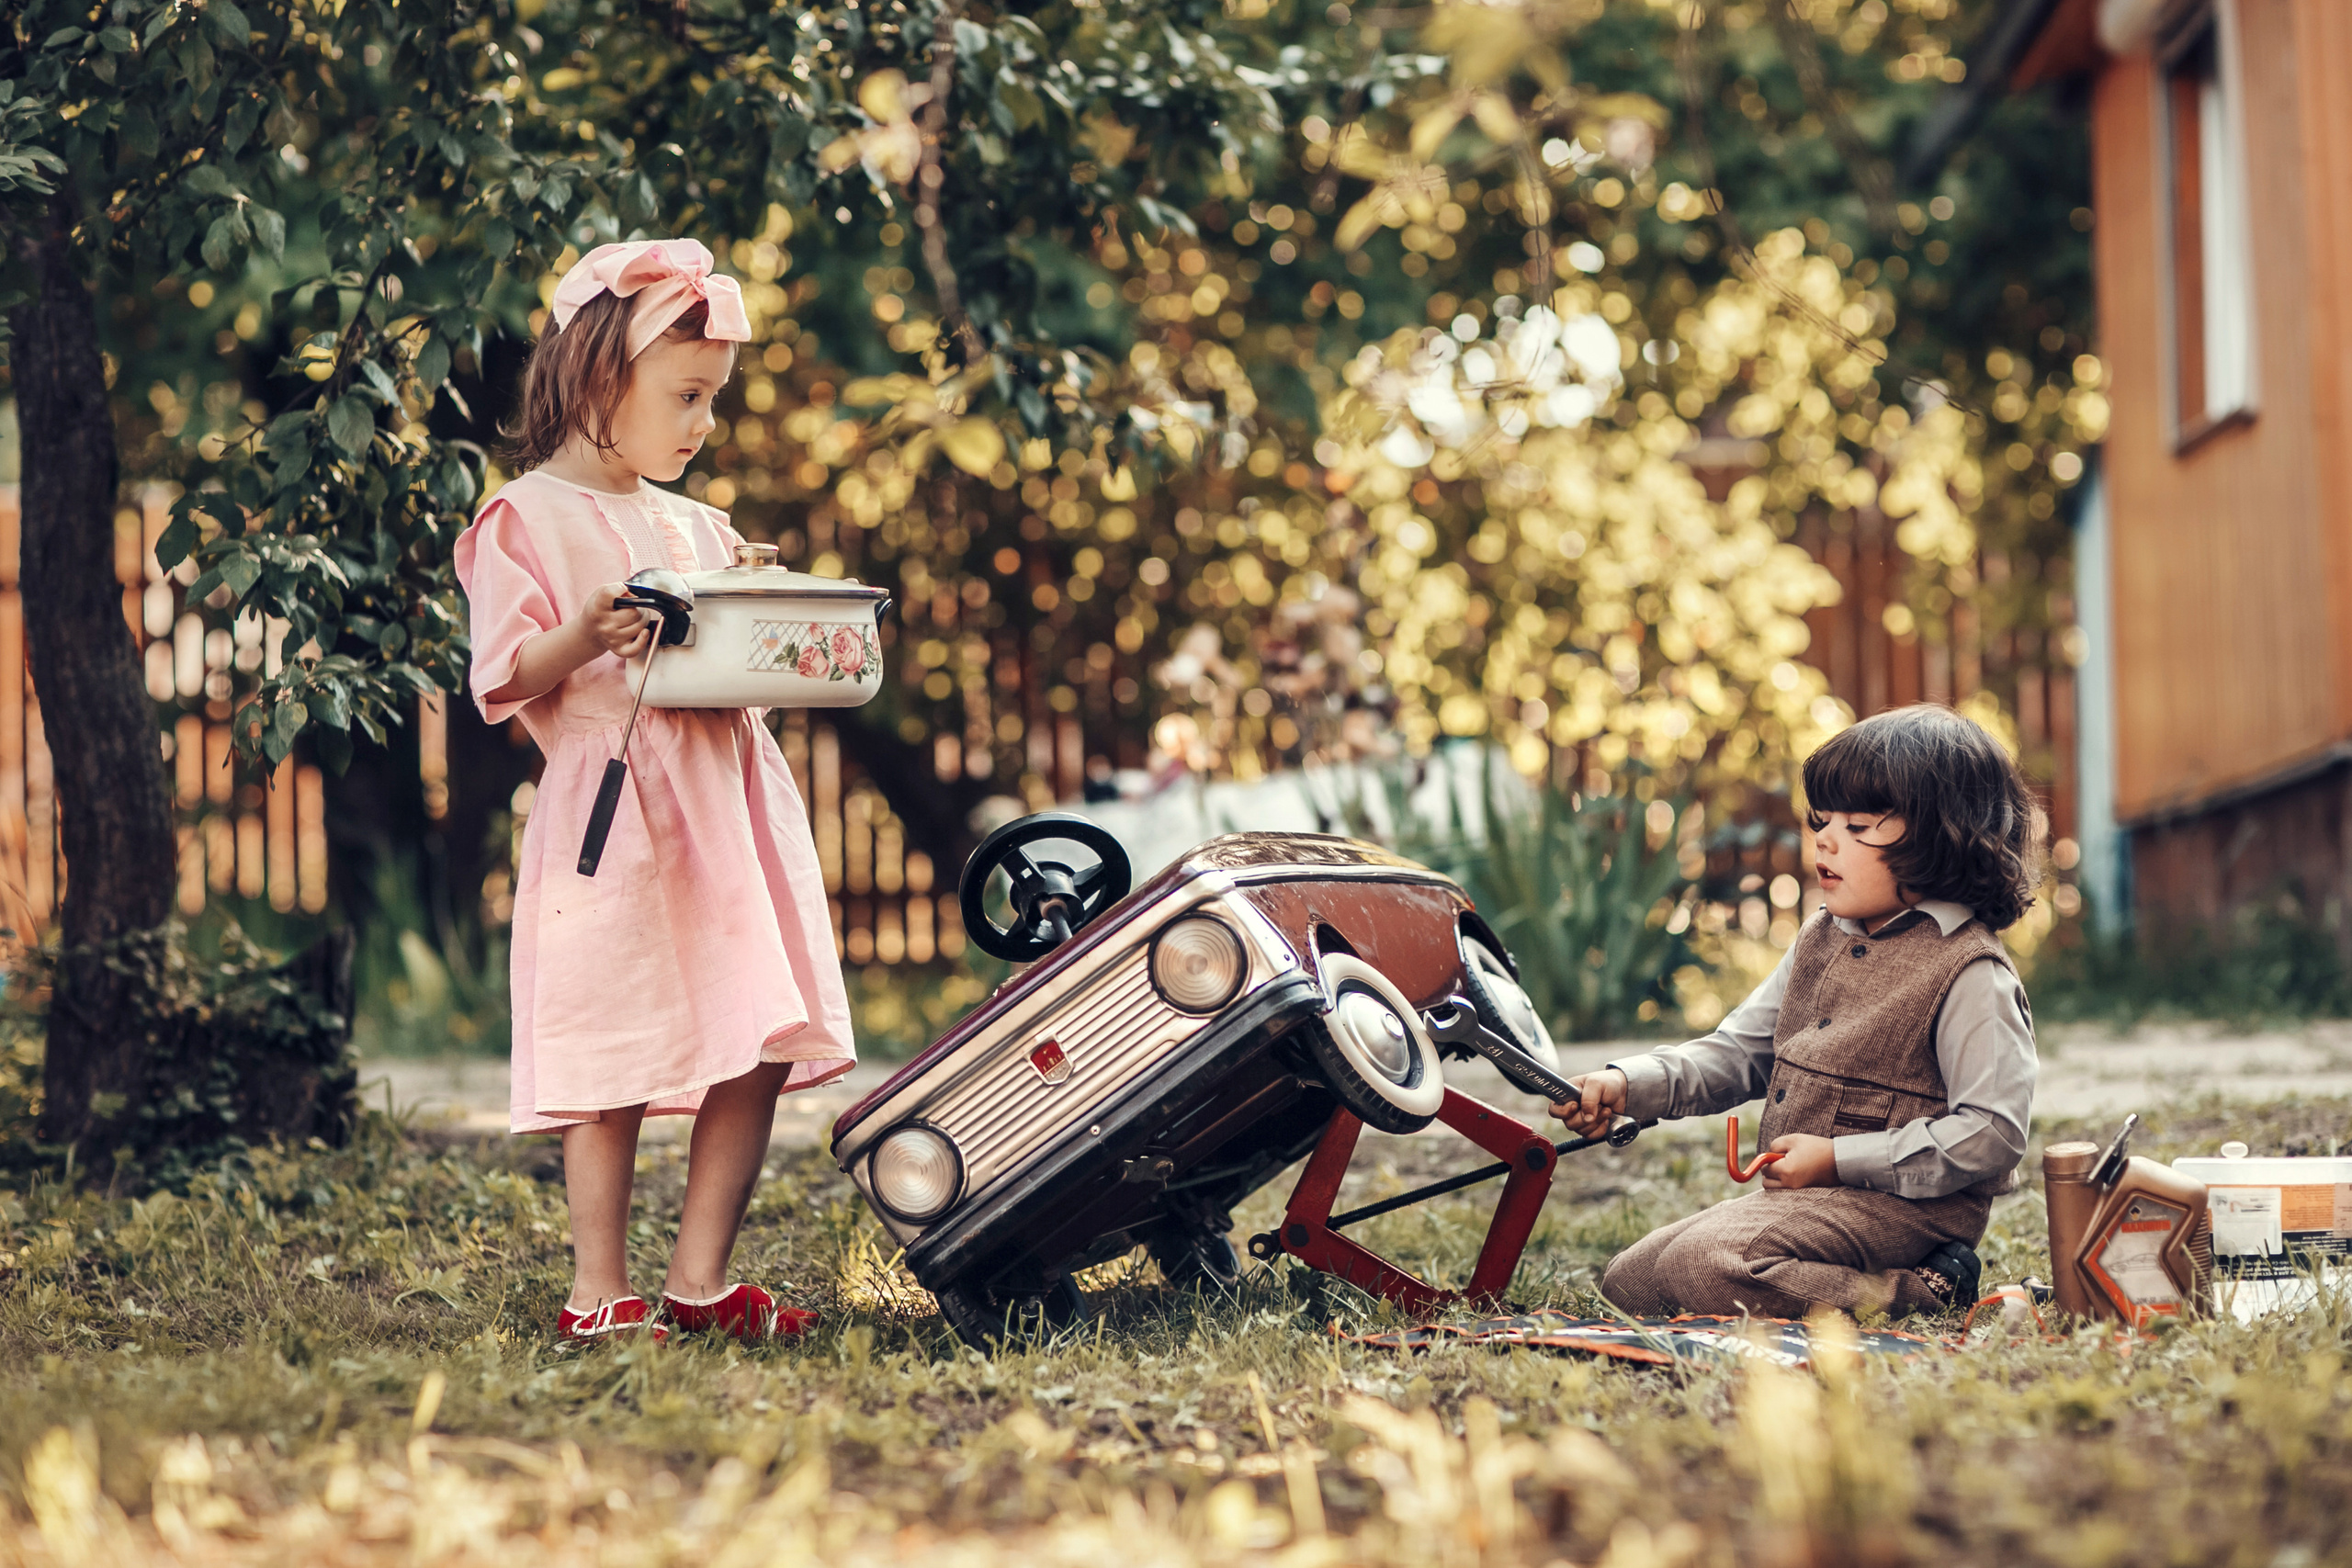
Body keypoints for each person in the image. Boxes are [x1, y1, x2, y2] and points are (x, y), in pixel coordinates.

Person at [455, 240, 854, 1344]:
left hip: (726, 807)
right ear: (598, 382)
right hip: (614, 815)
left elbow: (741, 667)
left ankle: (698, 1279)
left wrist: (764, 612)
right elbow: (503, 674)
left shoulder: (697, 525)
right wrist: (580, 631)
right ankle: (597, 1290)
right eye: (685, 397)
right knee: (613, 1033)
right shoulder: (524, 519)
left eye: (711, 402)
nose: (701, 425)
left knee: (758, 1033)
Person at [1553, 705, 2041, 1320]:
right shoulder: (1821, 937)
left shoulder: (1970, 971)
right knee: (1631, 1281)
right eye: (1822, 819)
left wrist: (1839, 1159)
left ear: (1944, 837)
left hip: (1910, 1208)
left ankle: (1924, 1290)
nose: (1827, 838)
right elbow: (1739, 1051)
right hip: (1813, 1202)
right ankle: (1814, 1277)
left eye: (1859, 825)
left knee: (1702, 1268)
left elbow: (1993, 1133)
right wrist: (1631, 1084)